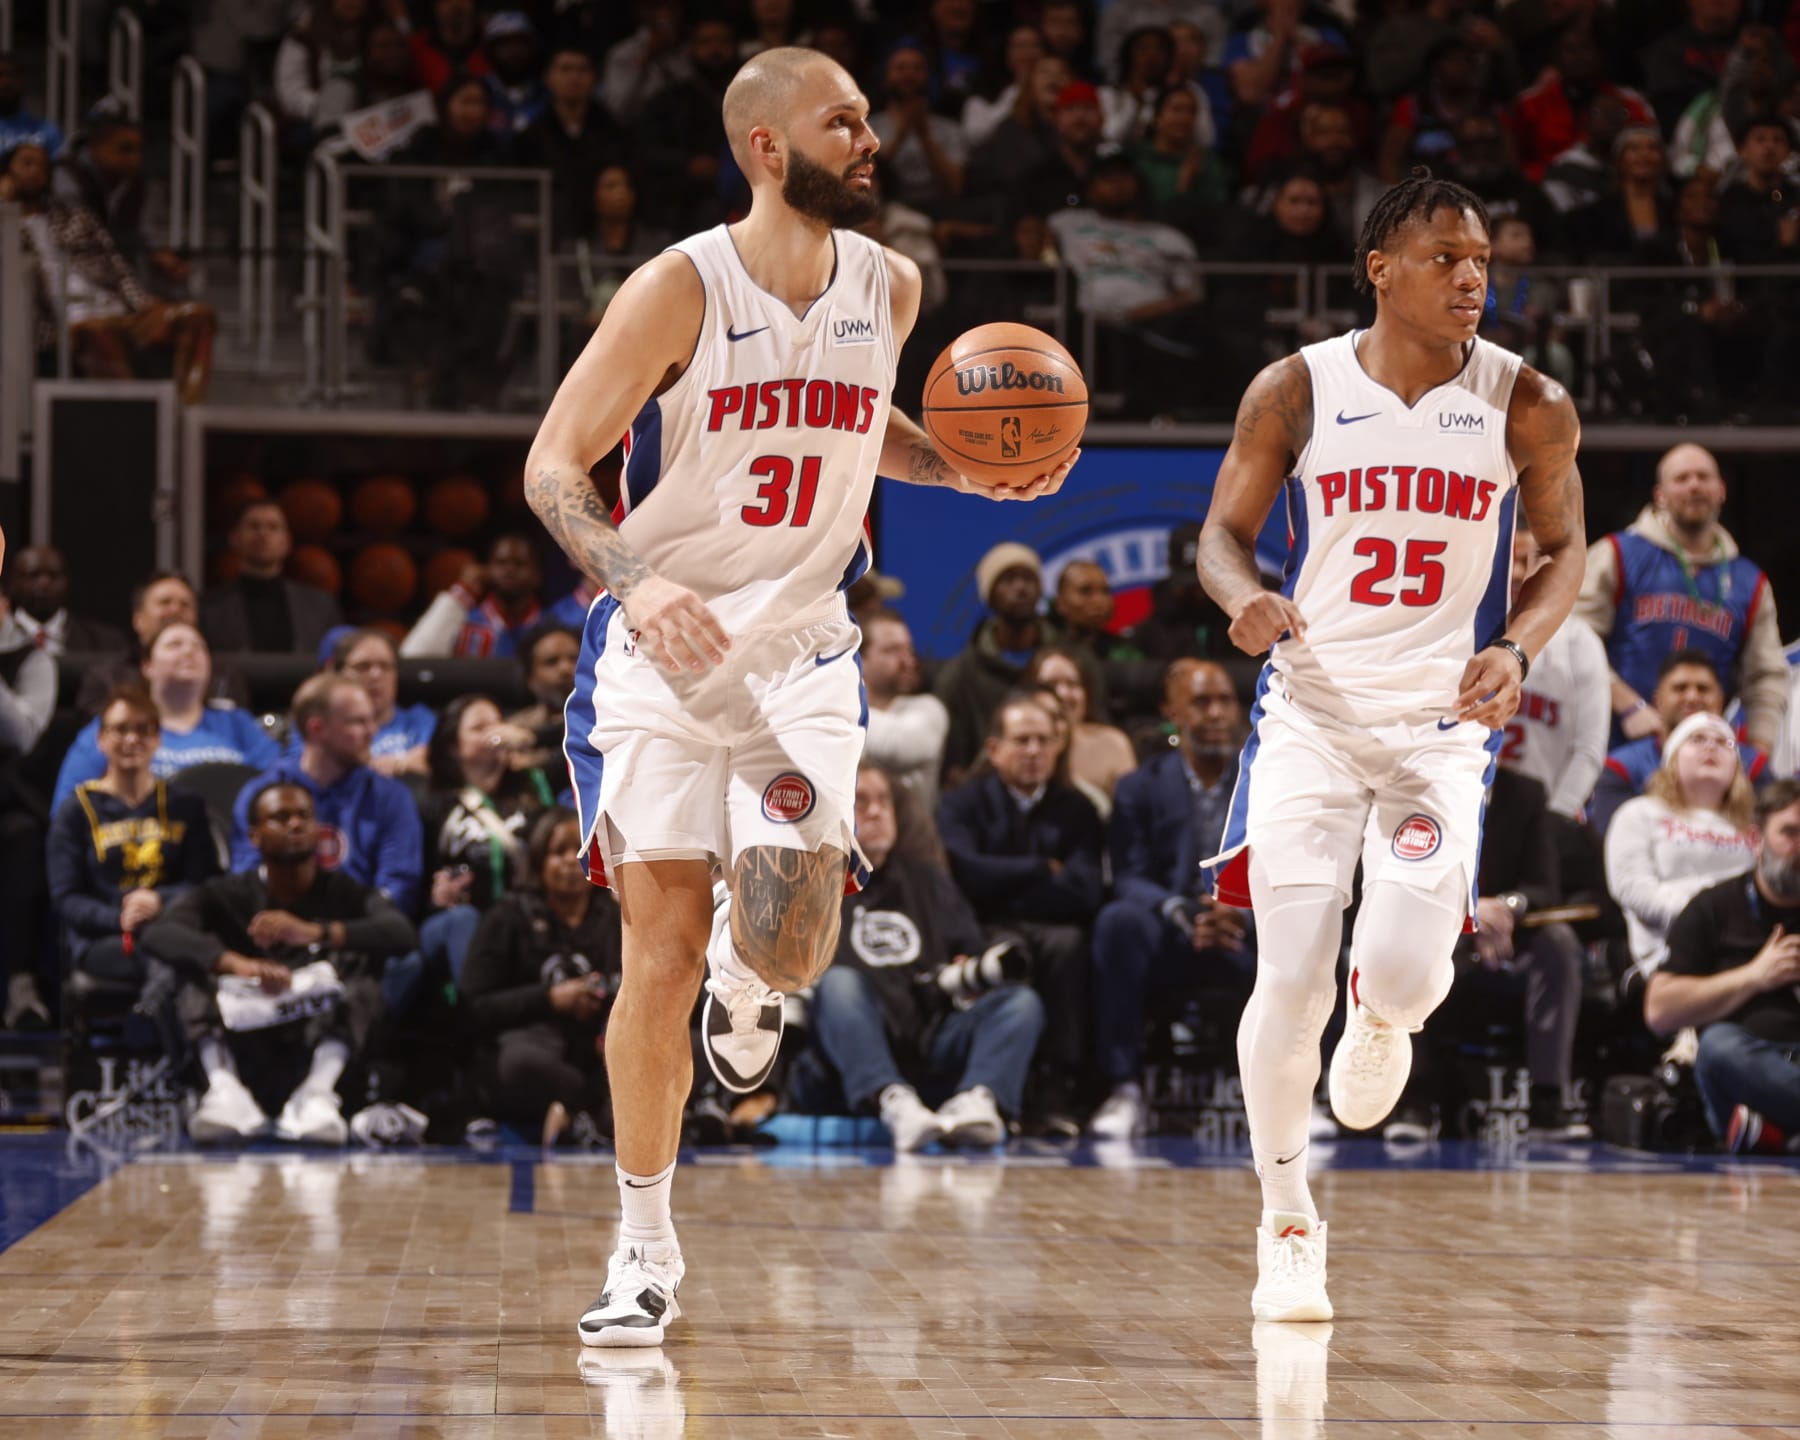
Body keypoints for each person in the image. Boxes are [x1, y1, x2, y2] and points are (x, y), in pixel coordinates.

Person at [522, 42, 1075, 1349]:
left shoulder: (890, 285)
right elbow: (553, 465)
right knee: (651, 960)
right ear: (769, 148)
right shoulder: (678, 290)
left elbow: (857, 422)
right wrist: (630, 575)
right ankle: (643, 1246)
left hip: (804, 660)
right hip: (661, 665)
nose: (873, 140)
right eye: (847, 122)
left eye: (871, 120)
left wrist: (966, 471)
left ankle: (754, 986)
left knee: (788, 941)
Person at [1197, 173, 1586, 1322]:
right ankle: (1286, 1222)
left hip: (1438, 730)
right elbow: (1221, 535)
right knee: (1288, 973)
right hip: (1312, 719)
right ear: (1381, 268)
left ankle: (1385, 1015)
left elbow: (1565, 549)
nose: (1474, 276)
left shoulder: (1529, 403)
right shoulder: (1296, 390)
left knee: (1410, 975)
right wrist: (1241, 599)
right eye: (1447, 258)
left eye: (1482, 261)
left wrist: (1518, 647)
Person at [141, 781, 416, 1145]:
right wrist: (236, 963)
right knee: (187, 963)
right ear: (254, 836)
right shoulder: (225, 894)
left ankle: (318, 1094)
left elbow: (401, 934)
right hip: (245, 1031)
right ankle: (225, 1092)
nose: (295, 824)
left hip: (313, 1033)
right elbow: (158, 934)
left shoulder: (344, 892)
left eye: (304, 816)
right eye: (281, 817)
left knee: (363, 954)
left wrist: (316, 932)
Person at [802, 762, 1046, 1151]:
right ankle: (893, 1100)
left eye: (884, 801)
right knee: (838, 984)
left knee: (1020, 1003)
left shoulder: (927, 879)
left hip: (932, 1029)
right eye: (861, 802)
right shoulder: (814, 885)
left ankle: (977, 1101)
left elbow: (972, 948)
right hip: (857, 1040)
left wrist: (969, 966)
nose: (877, 812)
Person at [1089, 660, 1251, 1138]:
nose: (1217, 713)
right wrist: (1178, 910)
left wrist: (1242, 911)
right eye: (1201, 702)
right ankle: (1124, 1089)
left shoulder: (1262, 781)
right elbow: (1129, 876)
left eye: (1225, 700)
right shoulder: (1141, 786)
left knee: (1311, 928)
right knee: (1119, 922)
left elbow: (1284, 867)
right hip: (1169, 935)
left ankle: (1304, 1096)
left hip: (1247, 933)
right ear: (1171, 712)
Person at [937, 693, 1104, 1131]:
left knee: (1069, 946)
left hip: (1053, 929)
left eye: (1044, 741)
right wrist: (1040, 869)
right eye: (1022, 740)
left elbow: (1084, 891)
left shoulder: (1077, 809)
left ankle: (1056, 1092)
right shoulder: (960, 803)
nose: (1034, 751)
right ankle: (989, 1089)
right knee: (1001, 948)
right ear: (994, 749)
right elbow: (966, 875)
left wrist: (1006, 883)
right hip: (984, 925)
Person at [1575, 443, 1787, 752]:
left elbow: (1766, 676)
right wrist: (1629, 705)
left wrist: (1758, 752)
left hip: (1707, 751)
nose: (1694, 485)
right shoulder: (1617, 554)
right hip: (1616, 742)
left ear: (1721, 490)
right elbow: (1576, 641)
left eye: (1703, 477)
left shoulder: (1750, 581)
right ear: (1659, 494)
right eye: (1682, 478)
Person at [1644, 779, 1800, 1151]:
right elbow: (1659, 1010)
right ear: (1755, 840)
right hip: (1745, 1066)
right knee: (1719, 1047)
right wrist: (1754, 977)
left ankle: (1777, 1136)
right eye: (1790, 833)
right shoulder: (1713, 907)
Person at [460, 807, 623, 1145]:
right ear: (537, 860)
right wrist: (550, 998)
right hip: (535, 1045)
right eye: (557, 851)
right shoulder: (507, 916)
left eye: (579, 850)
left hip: (600, 1047)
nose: (569, 861)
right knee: (518, 1062)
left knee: (684, 1046)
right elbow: (475, 1005)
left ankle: (577, 1111)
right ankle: (584, 1110)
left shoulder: (616, 917)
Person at [47, 686, 218, 987]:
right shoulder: (75, 810)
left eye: (143, 729)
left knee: (175, 948)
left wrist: (159, 901)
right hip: (107, 937)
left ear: (158, 739)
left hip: (173, 925)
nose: (131, 739)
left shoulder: (186, 805)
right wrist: (118, 918)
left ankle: (157, 1021)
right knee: (168, 958)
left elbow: (204, 881)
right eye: (120, 729)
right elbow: (66, 897)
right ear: (101, 740)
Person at [230, 674, 424, 916]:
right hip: (278, 933)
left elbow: (399, 887)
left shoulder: (390, 796)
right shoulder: (263, 795)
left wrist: (339, 933)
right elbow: (246, 882)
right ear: (317, 728)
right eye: (358, 722)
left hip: (361, 935)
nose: (372, 731)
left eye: (372, 720)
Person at [52, 621, 281, 815]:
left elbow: (283, 785)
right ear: (147, 666)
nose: (189, 651)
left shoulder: (236, 723)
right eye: (175, 645)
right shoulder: (119, 725)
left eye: (199, 647)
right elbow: (67, 808)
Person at [1606, 712, 1757, 979]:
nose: (1711, 746)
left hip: (1746, 951)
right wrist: (1708, 920)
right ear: (1673, 759)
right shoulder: (1639, 813)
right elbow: (1632, 888)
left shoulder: (1754, 828)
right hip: (1669, 956)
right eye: (1697, 739)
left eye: (1725, 743)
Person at [1587, 649, 1768, 838]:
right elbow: (1610, 841)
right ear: (1658, 700)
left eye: (1703, 689)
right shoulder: (1620, 767)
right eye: (1680, 688)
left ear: (1721, 701)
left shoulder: (1754, 766)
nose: (1692, 697)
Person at [1498, 524, 1610, 819]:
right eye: (1511, 560)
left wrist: (1554, 818)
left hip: (1544, 813)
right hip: (1468, 806)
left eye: (1529, 561)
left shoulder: (1579, 641)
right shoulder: (1464, 627)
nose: (1519, 573)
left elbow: (1589, 748)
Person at [932, 542, 1060, 783]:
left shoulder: (1065, 661)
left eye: (1028, 579)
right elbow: (952, 766)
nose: (1021, 588)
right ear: (989, 595)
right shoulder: (961, 675)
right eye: (1008, 580)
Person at [75, 572, 251, 715]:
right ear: (138, 619)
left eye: (185, 604)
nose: (175, 610)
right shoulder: (106, 678)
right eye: (164, 602)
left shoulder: (225, 676)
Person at [201, 500, 344, 657]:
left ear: (287, 542)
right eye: (254, 526)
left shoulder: (320, 606)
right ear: (235, 538)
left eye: (273, 527)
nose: (263, 534)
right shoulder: (210, 607)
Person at [1022, 646, 1137, 807]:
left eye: (1072, 684)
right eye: (1050, 684)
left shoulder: (1113, 744)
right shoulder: (1012, 745)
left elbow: (1133, 816)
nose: (1062, 693)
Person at [859, 609, 950, 812]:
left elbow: (898, 746)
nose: (908, 661)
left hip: (913, 840)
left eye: (908, 650)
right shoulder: (839, 712)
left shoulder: (929, 709)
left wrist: (833, 714)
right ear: (858, 658)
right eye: (892, 651)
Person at [401, 535, 544, 659]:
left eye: (519, 564)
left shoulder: (549, 625)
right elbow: (413, 656)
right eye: (501, 562)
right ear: (487, 569)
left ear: (537, 575)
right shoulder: (465, 623)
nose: (509, 569)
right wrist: (462, 592)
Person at [326, 627, 435, 777]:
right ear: (340, 674)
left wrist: (393, 764)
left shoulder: (420, 719)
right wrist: (404, 762)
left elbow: (432, 760)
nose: (376, 675)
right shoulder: (325, 724)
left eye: (385, 666)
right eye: (363, 666)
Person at [0, 543, 129, 656]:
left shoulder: (107, 644)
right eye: (33, 575)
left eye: (53, 575)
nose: (44, 584)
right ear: (12, 583)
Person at [508, 622, 581, 771]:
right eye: (551, 662)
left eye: (574, 659)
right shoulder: (515, 730)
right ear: (530, 679)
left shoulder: (609, 718)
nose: (565, 669)